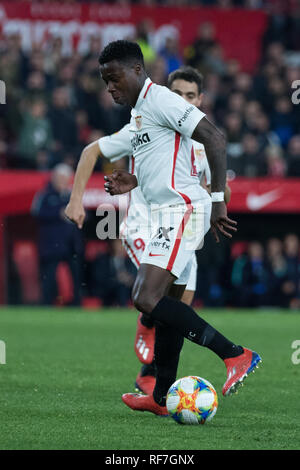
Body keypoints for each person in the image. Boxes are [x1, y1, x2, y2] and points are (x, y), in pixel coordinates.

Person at [65, 40, 261, 417]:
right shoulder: (141, 113)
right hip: (168, 211)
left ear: (137, 70)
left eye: (113, 78)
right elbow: (166, 166)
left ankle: (236, 354)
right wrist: (133, 182)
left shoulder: (161, 100)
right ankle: (160, 396)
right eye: (104, 81)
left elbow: (216, 139)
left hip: (181, 212)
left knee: (145, 298)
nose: (109, 87)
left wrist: (219, 198)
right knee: (167, 302)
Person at [32, 163, 83, 306]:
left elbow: (84, 215)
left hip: (70, 245)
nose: (62, 182)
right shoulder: (44, 195)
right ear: (53, 178)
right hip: (50, 245)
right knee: (48, 279)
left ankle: (76, 306)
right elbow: (37, 213)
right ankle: (47, 305)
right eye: (59, 178)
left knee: (76, 278)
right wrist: (58, 213)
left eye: (64, 178)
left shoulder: (73, 195)